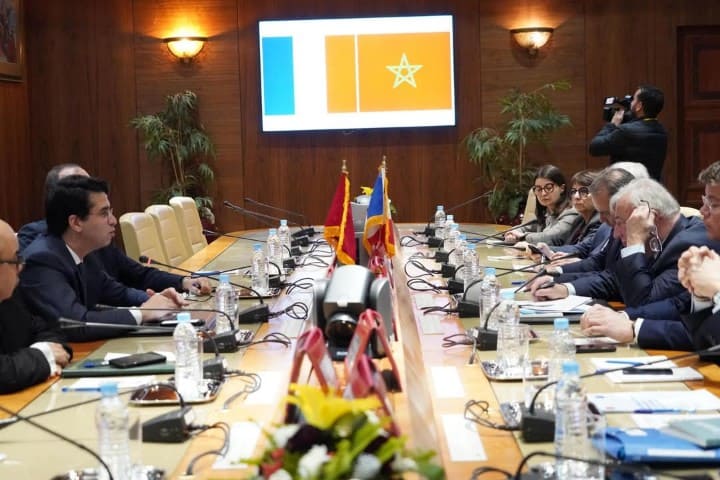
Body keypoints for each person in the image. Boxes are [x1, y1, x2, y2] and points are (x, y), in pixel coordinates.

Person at [19, 175, 185, 341]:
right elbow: (76, 324)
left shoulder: (85, 253)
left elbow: (117, 292)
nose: (113, 221)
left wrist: (156, 300)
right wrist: (143, 312)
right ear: (76, 222)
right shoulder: (42, 260)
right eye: (104, 213)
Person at [582, 161, 720, 350]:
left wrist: (635, 329)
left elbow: (707, 337)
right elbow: (679, 305)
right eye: (705, 202)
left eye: (713, 204)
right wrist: (624, 318)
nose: (703, 211)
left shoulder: (695, 242)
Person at [17, 163, 211, 295]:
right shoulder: (39, 242)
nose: (112, 220)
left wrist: (182, 283)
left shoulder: (95, 236)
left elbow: (135, 275)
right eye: (78, 186)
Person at [533, 178, 712, 309]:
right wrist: (564, 288)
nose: (616, 234)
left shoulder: (690, 245)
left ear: (649, 217)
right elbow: (615, 278)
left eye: (620, 222)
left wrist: (634, 242)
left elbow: (643, 302)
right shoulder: (656, 237)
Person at [0, 219, 72, 393]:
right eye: (16, 258)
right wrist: (42, 357)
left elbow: (48, 331)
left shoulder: (10, 297)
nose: (21, 266)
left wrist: (46, 352)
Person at [589, 85, 667, 181]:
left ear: (639, 106)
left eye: (633, 99)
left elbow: (595, 147)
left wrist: (612, 125)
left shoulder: (626, 131)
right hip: (650, 187)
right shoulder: (662, 131)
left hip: (627, 188)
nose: (631, 103)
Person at [504, 165, 581, 246]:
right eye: (538, 189)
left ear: (562, 188)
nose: (543, 194)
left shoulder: (571, 212)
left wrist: (523, 236)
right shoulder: (546, 213)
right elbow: (524, 228)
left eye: (548, 187)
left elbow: (551, 237)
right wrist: (511, 234)